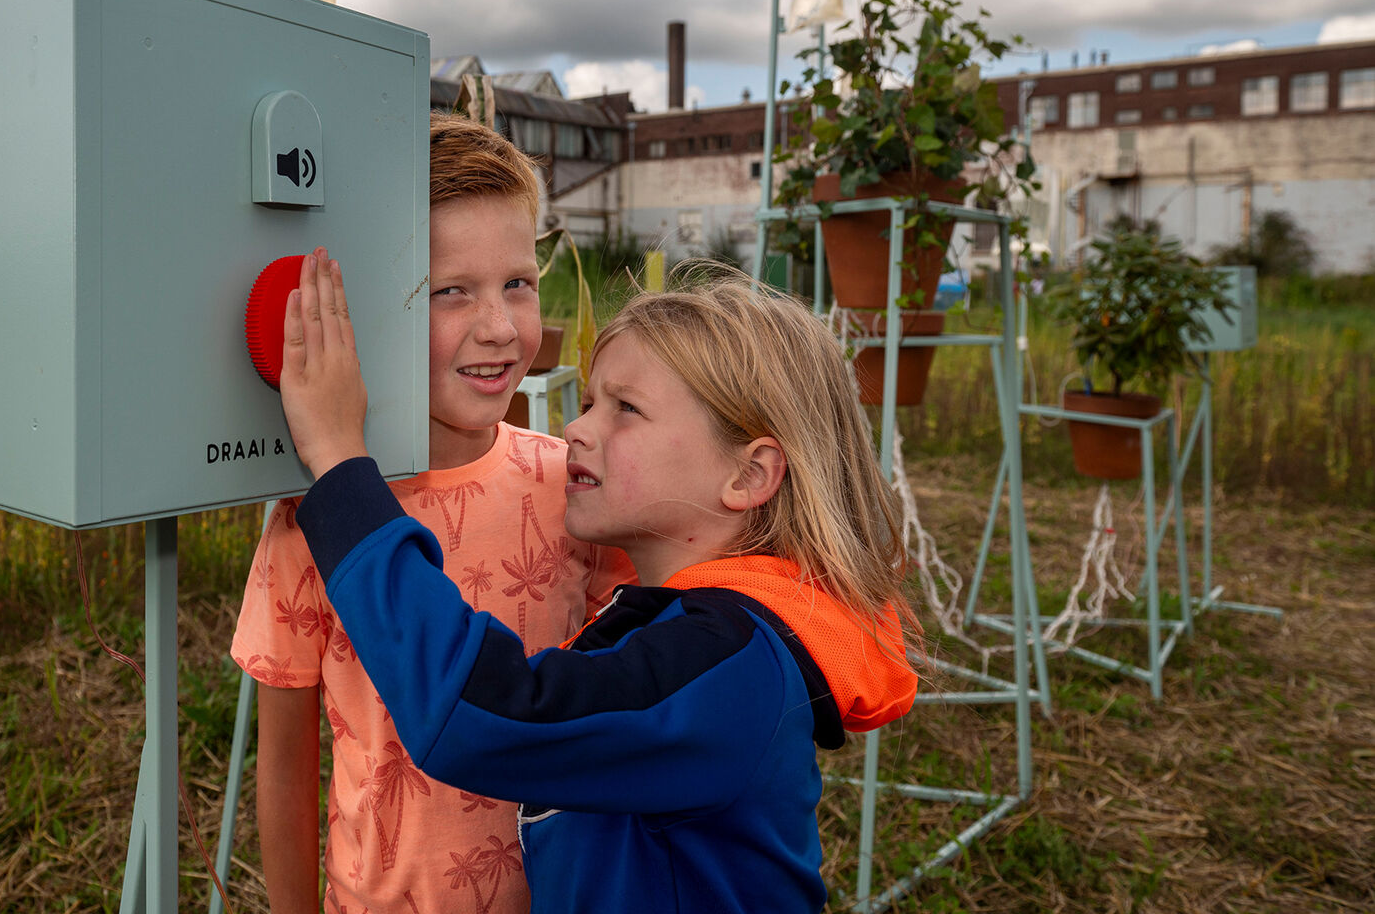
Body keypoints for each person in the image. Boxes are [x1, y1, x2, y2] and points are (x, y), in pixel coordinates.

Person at [275, 253, 921, 914]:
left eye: (627, 409)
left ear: (750, 476)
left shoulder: (730, 668)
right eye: (588, 402)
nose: (578, 428)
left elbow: (482, 714)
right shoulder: (705, 635)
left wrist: (340, 466)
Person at [232, 113, 634, 914]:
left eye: (518, 283)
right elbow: (282, 768)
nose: (499, 328)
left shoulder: (578, 488)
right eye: (450, 291)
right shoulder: (318, 519)